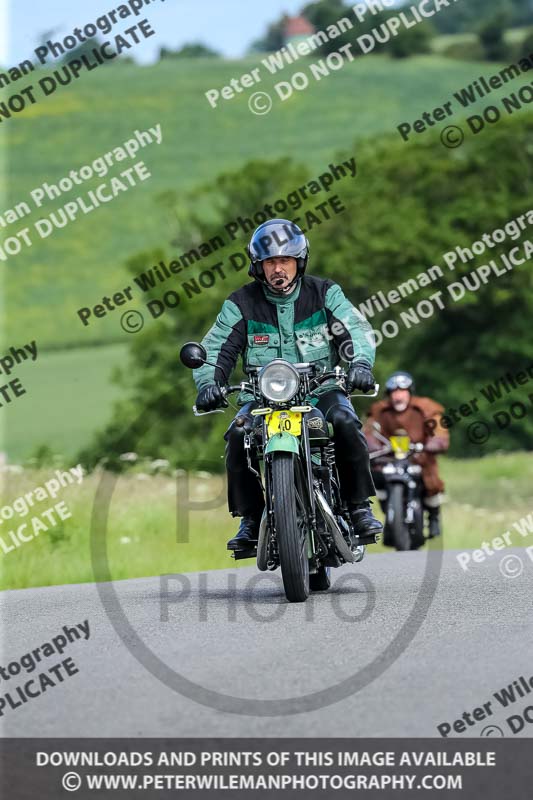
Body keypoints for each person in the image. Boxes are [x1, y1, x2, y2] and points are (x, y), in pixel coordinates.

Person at [191, 218, 383, 551]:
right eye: (270, 262)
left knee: (345, 420)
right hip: (262, 398)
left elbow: (355, 330)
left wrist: (361, 364)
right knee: (237, 434)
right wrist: (208, 382)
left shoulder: (324, 294)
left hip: (321, 390)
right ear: (258, 266)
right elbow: (217, 349)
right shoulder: (241, 303)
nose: (278, 269)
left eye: (285, 260)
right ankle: (251, 519)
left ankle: (358, 506)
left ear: (299, 262)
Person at [364, 371, 449, 538]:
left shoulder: (425, 408)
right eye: (394, 392)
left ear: (410, 392)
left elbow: (439, 432)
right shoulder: (380, 410)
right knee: (373, 477)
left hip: (418, 457)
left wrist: (433, 443)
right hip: (388, 458)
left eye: (402, 391)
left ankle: (433, 517)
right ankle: (389, 513)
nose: (398, 396)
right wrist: (373, 446)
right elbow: (368, 433)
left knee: (432, 482)